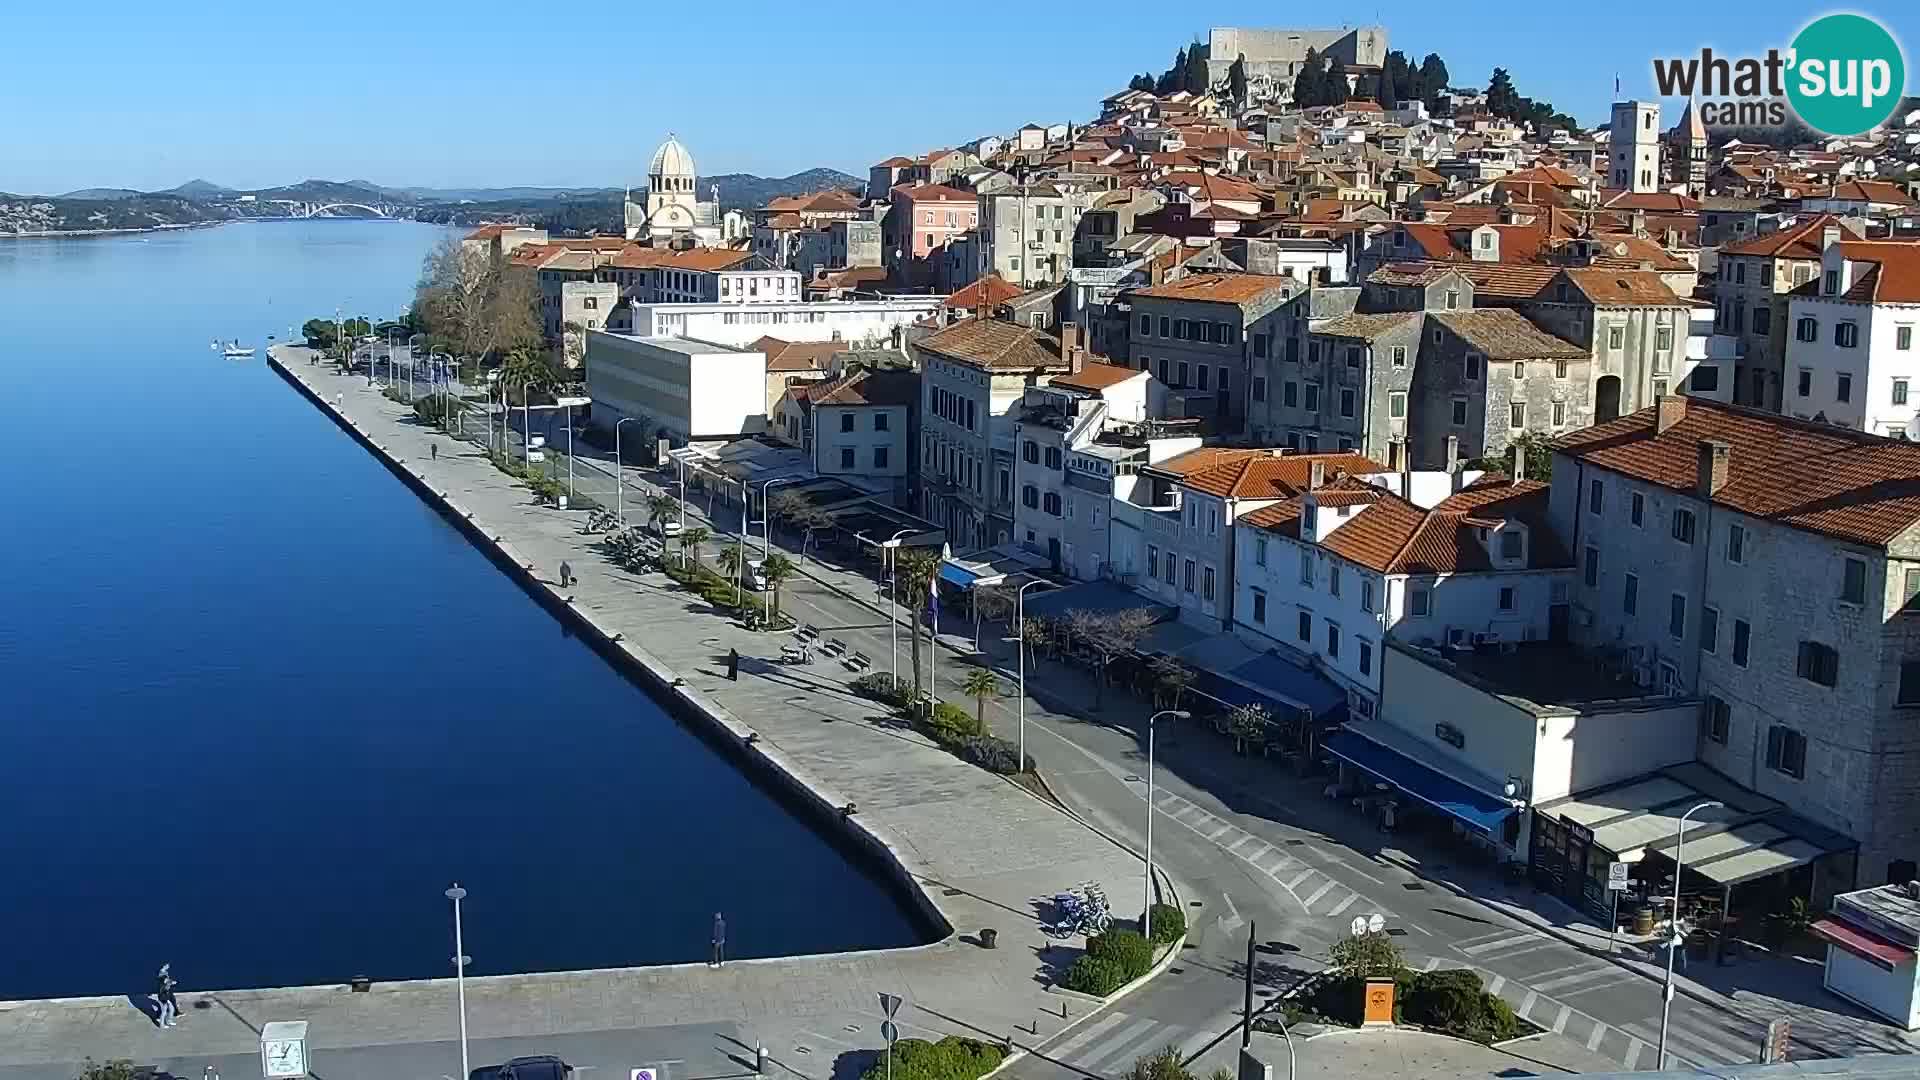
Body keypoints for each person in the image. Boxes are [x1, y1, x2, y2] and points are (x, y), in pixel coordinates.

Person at [155, 963, 178, 1028]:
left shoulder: (164, 978)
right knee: (164, 1011)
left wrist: (172, 983)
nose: (168, 966)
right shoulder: (163, 985)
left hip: (166, 997)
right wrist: (171, 983)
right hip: (163, 998)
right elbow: (164, 991)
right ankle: (161, 1025)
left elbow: (167, 981)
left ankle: (169, 1021)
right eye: (167, 965)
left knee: (172, 1009)